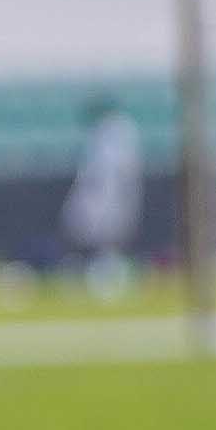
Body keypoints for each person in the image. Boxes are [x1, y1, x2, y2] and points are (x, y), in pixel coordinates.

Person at [61, 96, 146, 295]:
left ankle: (108, 276)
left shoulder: (119, 131)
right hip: (99, 192)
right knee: (85, 235)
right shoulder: (101, 134)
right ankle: (93, 275)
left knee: (109, 239)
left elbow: (123, 170)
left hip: (112, 194)